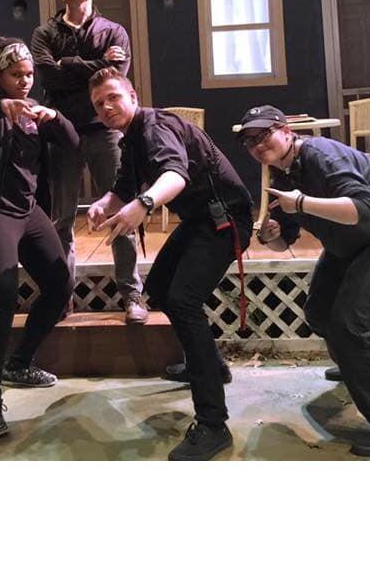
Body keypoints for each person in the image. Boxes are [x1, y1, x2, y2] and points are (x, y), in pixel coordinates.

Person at [240, 104, 370, 458]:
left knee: (350, 326)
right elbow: (285, 242)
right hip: (349, 248)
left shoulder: (322, 156)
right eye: (249, 141)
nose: (257, 145)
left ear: (287, 131)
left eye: (264, 134)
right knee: (319, 313)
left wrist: (302, 203)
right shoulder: (283, 180)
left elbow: (363, 208)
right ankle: (355, 366)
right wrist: (270, 236)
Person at [87, 68, 253, 461]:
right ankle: (210, 365)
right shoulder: (131, 139)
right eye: (99, 103)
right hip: (199, 220)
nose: (107, 107)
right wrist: (104, 203)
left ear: (132, 96)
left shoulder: (155, 127)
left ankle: (213, 424)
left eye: (113, 97)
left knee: (183, 301)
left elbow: (175, 175)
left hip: (224, 219)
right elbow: (123, 188)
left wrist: (143, 205)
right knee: (160, 289)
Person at [0, 35, 78, 438]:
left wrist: (54, 116)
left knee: (60, 284)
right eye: (15, 75)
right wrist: (0, 107)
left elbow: (72, 143)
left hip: (29, 211)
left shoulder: (34, 110)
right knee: (5, 294)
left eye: (28, 74)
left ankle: (20, 361)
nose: (25, 81)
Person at [31, 0, 146, 323]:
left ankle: (132, 295)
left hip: (104, 132)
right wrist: (95, 62)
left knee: (121, 212)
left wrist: (67, 64)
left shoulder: (114, 31)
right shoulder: (44, 33)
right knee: (60, 220)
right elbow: (49, 77)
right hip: (61, 134)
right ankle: (61, 296)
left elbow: (113, 80)